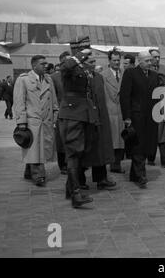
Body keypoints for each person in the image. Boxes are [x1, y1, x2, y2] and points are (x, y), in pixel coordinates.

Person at [58, 40, 96, 208]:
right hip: (72, 115)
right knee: (74, 153)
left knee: (78, 152)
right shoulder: (69, 64)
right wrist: (80, 55)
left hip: (81, 114)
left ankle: (70, 190)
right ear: (77, 49)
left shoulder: (79, 67)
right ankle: (75, 194)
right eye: (85, 48)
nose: (88, 51)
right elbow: (64, 68)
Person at [13, 55, 59, 187]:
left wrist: (55, 114)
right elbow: (19, 101)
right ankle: (39, 175)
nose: (46, 66)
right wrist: (21, 121)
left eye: (46, 63)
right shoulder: (24, 80)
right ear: (34, 66)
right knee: (35, 148)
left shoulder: (48, 79)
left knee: (37, 148)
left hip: (46, 120)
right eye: (42, 64)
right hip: (32, 120)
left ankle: (29, 171)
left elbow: (54, 100)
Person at [120, 51, 161, 189]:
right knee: (138, 145)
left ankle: (134, 174)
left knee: (147, 144)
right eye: (147, 61)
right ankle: (141, 175)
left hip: (150, 117)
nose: (150, 63)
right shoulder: (130, 73)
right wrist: (127, 117)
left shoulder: (155, 76)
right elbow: (125, 97)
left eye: (151, 60)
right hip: (136, 117)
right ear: (139, 61)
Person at [78, 58, 117, 190]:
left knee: (101, 149)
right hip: (85, 119)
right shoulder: (78, 77)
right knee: (84, 151)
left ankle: (101, 178)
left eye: (94, 61)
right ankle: (80, 180)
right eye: (90, 62)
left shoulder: (99, 77)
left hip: (100, 118)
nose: (93, 64)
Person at [147, 49, 165, 169]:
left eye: (159, 57)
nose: (157, 59)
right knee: (151, 132)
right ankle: (150, 158)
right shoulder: (145, 69)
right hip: (150, 106)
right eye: (155, 57)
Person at [101, 48, 126, 173]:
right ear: (109, 61)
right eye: (114, 60)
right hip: (110, 112)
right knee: (112, 141)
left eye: (118, 60)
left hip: (121, 112)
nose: (117, 63)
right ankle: (112, 164)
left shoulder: (125, 73)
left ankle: (117, 164)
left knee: (121, 140)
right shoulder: (103, 75)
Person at [51, 51, 70, 174]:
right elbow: (53, 97)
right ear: (61, 62)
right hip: (61, 113)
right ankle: (63, 164)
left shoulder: (76, 75)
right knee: (61, 140)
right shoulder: (54, 77)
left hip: (75, 112)